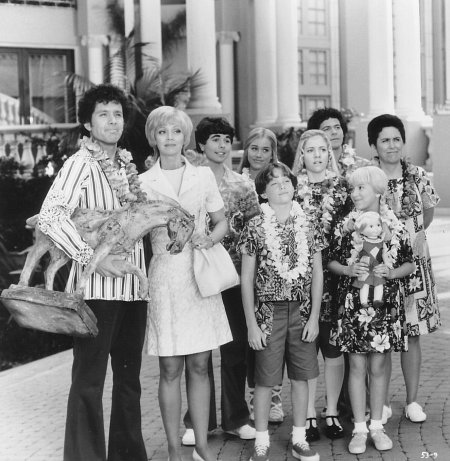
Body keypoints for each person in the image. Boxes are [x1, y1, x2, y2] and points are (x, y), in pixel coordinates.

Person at [37, 84, 148, 461]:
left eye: (117, 114)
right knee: (88, 383)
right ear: (87, 123)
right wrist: (91, 257)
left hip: (133, 290)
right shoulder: (80, 164)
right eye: (103, 114)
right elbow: (51, 217)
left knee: (129, 382)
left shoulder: (127, 166)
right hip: (95, 291)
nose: (113, 120)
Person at [139, 106, 232, 461]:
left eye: (176, 132)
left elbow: (220, 222)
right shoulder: (143, 183)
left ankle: (204, 446)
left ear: (185, 136)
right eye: (162, 132)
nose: (170, 139)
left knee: (199, 364)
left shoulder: (203, 177)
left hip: (197, 274)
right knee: (169, 367)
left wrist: (209, 239)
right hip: (164, 275)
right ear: (154, 137)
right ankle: (175, 449)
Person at [181, 117, 259, 445]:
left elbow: (256, 229)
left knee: (234, 347)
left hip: (233, 275)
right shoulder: (189, 181)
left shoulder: (243, 184)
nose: (222, 145)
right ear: (201, 144)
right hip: (196, 272)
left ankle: (235, 417)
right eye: (214, 138)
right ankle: (196, 420)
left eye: (227, 139)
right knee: (198, 348)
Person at [327, 166, 415, 454]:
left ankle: (377, 426)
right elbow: (332, 262)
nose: (355, 194)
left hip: (384, 304)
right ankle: (359, 427)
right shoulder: (346, 225)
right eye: (352, 189)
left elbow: (409, 264)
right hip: (354, 303)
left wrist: (390, 273)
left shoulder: (396, 226)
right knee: (356, 365)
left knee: (378, 365)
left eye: (360, 188)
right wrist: (349, 268)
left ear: (378, 191)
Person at [239, 162, 323, 461]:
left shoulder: (309, 222)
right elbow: (247, 278)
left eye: (286, 180)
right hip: (267, 314)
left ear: (294, 185)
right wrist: (251, 324)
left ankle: (299, 437)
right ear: (263, 193)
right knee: (265, 379)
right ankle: (261, 440)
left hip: (301, 312)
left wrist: (314, 317)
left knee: (302, 377)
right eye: (274, 183)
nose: (282, 186)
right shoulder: (255, 227)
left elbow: (317, 273)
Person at [367, 114, 441, 424]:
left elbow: (428, 213)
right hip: (379, 267)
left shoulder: (419, 176)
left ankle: (412, 401)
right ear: (374, 144)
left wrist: (408, 239)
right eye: (385, 139)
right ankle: (380, 403)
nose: (392, 144)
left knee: (412, 334)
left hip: (414, 267)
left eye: (396, 138)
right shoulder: (367, 177)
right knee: (380, 333)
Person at [292, 129, 352, 442]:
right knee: (305, 349)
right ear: (301, 155)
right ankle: (308, 415)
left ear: (329, 153)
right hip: (301, 280)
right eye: (310, 150)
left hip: (336, 278)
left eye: (322, 150)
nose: (317, 155)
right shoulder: (291, 189)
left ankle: (331, 411)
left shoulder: (342, 188)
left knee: (332, 348)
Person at [237, 126, 285, 423]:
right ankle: (253, 395)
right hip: (241, 268)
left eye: (265, 149)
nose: (259, 154)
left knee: (274, 337)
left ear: (272, 153)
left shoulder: (280, 180)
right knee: (249, 337)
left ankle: (273, 397)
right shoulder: (236, 182)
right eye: (254, 148)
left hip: (274, 273)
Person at [307, 107, 370, 178]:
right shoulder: (310, 169)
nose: (334, 132)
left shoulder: (364, 166)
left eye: (337, 127)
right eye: (327, 129)